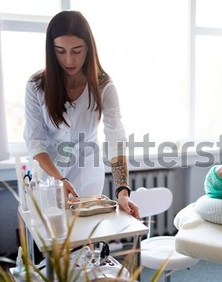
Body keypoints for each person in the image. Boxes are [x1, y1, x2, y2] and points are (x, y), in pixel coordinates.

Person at [24, 11, 139, 218]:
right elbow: (36, 143)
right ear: (51, 50)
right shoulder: (37, 86)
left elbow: (116, 139)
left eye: (77, 50)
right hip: (49, 176)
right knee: (54, 243)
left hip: (88, 175)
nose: (69, 59)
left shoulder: (104, 87)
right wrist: (60, 180)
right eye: (60, 51)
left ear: (88, 47)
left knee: (86, 242)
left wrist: (123, 191)